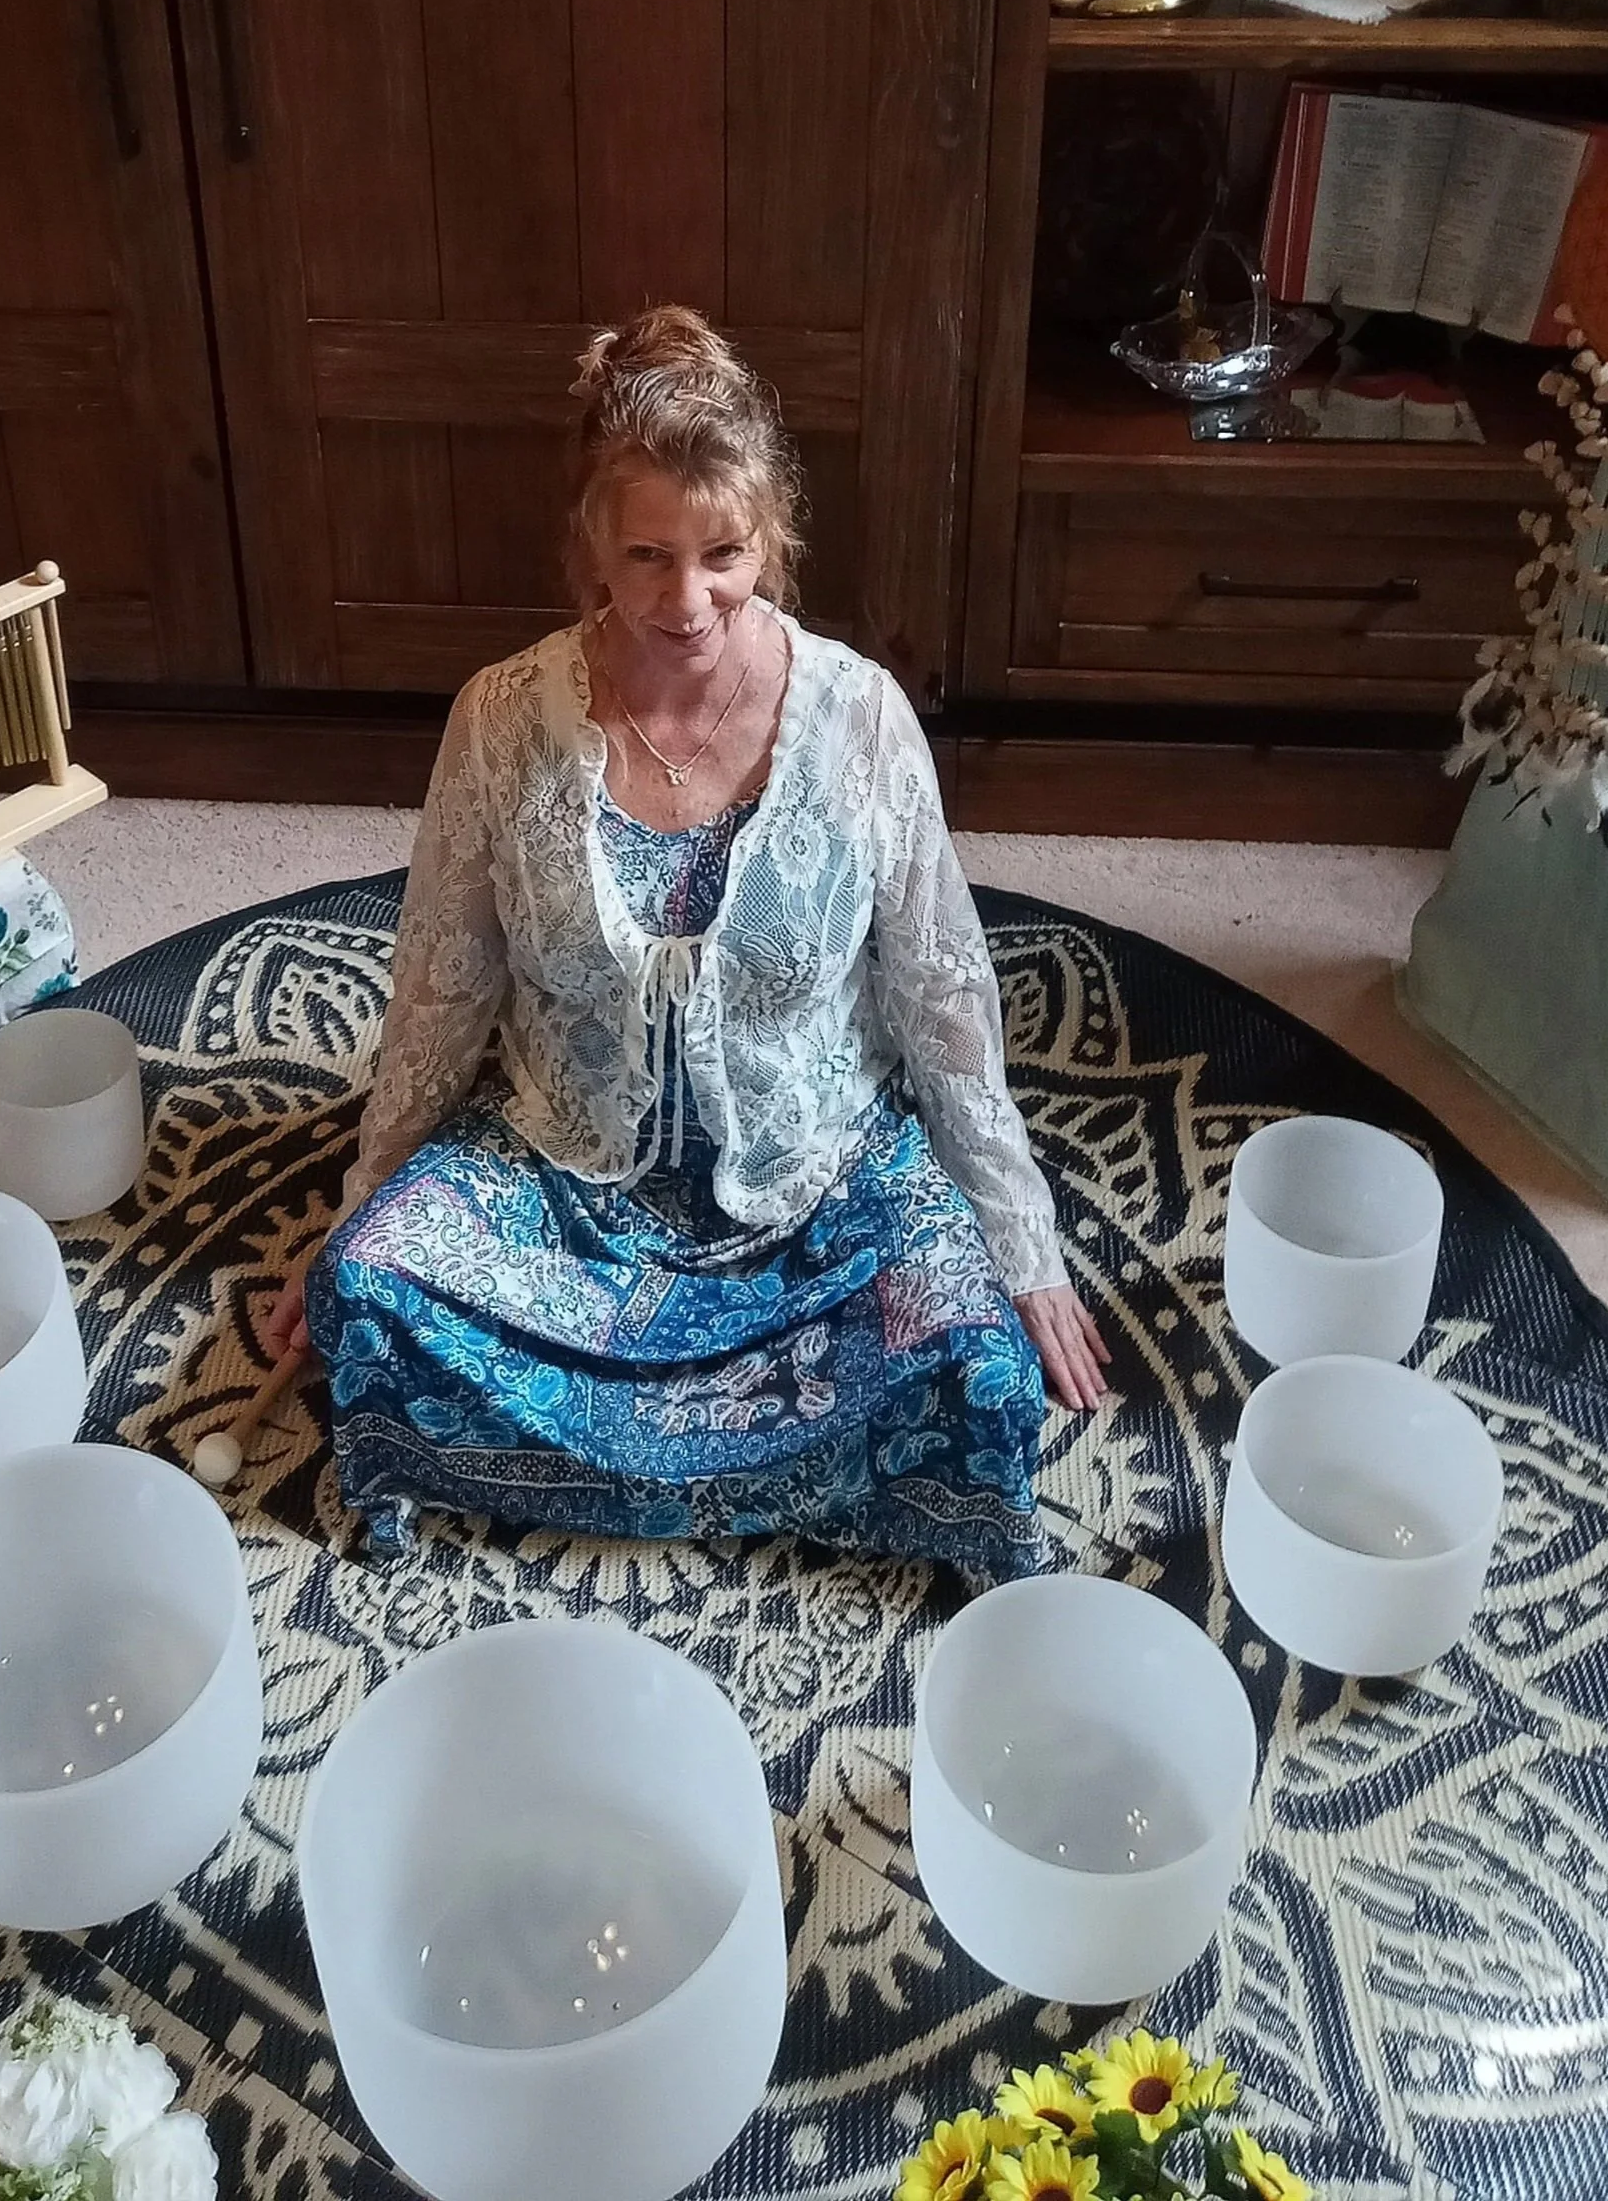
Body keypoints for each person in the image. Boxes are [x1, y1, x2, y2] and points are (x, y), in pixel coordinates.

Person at [268, 308, 1108, 1571]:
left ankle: (597, 1463)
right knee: (375, 1297)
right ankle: (770, 1471)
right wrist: (357, 1206)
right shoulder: (499, 720)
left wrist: (1021, 1242)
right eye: (648, 554)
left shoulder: (863, 718)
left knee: (981, 1375)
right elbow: (440, 991)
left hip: (820, 1184)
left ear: (771, 531)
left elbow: (942, 994)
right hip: (564, 1177)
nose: (689, 598)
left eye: (725, 551)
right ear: (591, 544)